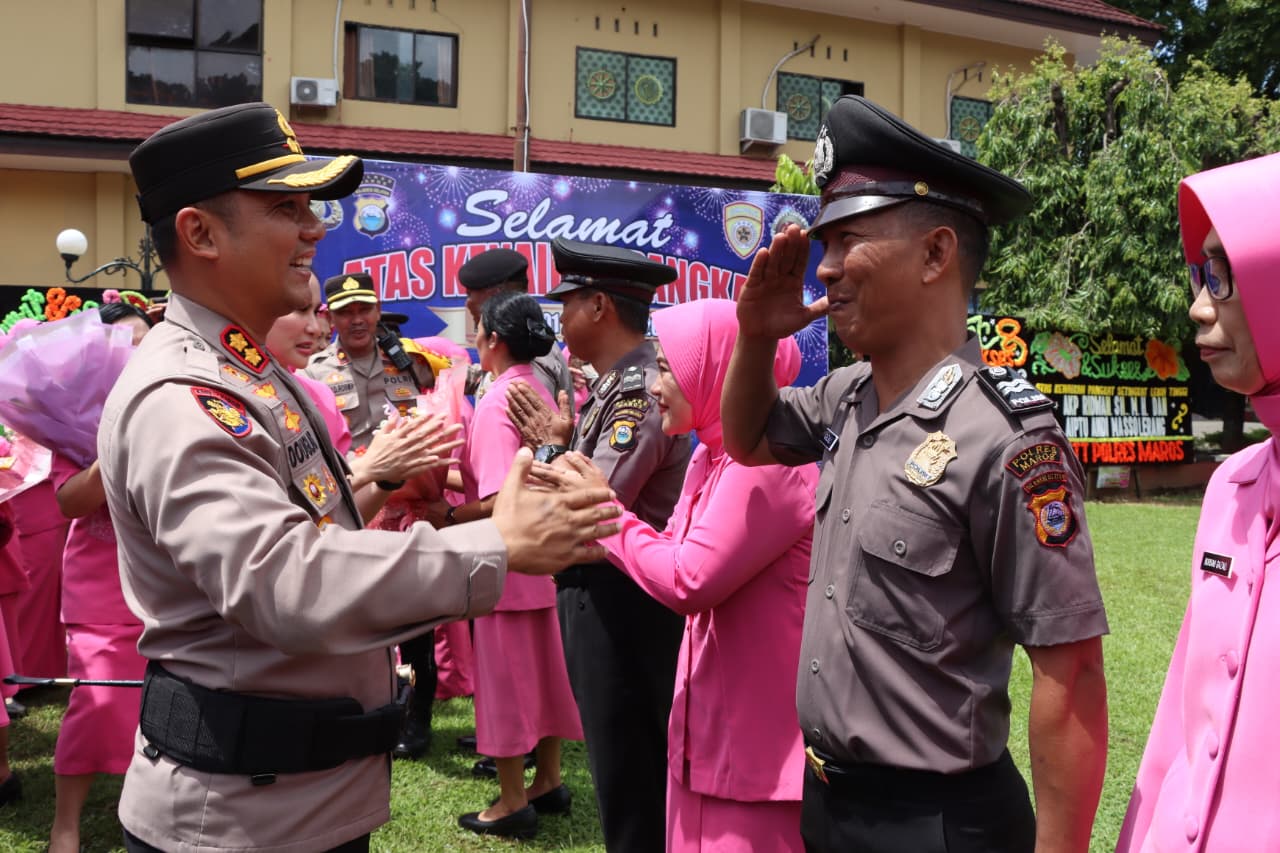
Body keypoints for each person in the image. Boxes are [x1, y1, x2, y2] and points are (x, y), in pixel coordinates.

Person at [100, 101, 621, 853]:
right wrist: (494, 542)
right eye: (285, 208)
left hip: (292, 801)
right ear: (200, 232)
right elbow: (284, 580)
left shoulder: (248, 371)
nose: (315, 228)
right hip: (241, 822)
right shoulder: (184, 396)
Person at [720, 95, 1109, 853]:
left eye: (848, 241)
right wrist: (756, 336)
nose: (824, 269)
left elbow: (1073, 672)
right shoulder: (848, 396)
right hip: (831, 801)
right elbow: (747, 438)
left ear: (935, 255)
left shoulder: (1004, 438)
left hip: (937, 823)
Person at [549, 298, 816, 851]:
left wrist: (602, 513)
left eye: (666, 367)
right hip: (712, 732)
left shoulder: (766, 468)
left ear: (717, 367)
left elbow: (688, 578)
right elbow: (672, 548)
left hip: (756, 753)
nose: (652, 385)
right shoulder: (713, 455)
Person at [1115, 152, 1280, 853]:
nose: (1198, 305)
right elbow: (1182, 723)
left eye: (1225, 273)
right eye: (1198, 273)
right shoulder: (1232, 486)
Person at [507, 236, 691, 853]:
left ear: (599, 308)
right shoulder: (616, 382)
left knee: (631, 773)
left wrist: (554, 456)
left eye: (569, 303)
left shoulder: (635, 388)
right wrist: (561, 446)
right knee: (622, 769)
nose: (559, 319)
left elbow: (590, 501)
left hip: (624, 602)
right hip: (607, 591)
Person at [445, 291, 582, 839]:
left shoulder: (501, 397)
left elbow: (506, 494)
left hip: (507, 556)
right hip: (544, 558)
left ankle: (511, 798)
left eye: (477, 331)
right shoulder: (538, 388)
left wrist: (452, 513)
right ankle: (547, 778)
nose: (474, 340)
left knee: (503, 683)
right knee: (548, 676)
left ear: (493, 340)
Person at [304, 271, 450, 760]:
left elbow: (444, 399)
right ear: (331, 317)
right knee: (353, 611)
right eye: (345, 311)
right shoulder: (315, 370)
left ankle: (418, 717)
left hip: (409, 510)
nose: (357, 319)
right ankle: (359, 706)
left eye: (364, 309)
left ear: (377, 309)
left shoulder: (409, 362)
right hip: (353, 503)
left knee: (416, 614)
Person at [47, 302, 153, 853]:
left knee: (163, 710)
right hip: (99, 592)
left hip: (167, 590)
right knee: (97, 704)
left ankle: (148, 812)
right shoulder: (70, 415)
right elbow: (69, 500)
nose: (130, 357)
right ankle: (65, 825)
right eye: (119, 348)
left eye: (140, 344)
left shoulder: (169, 401)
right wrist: (116, 442)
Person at [457, 247, 574, 406]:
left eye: (470, 294)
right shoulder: (520, 342)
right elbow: (488, 380)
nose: (467, 303)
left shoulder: (531, 352)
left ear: (496, 296)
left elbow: (529, 425)